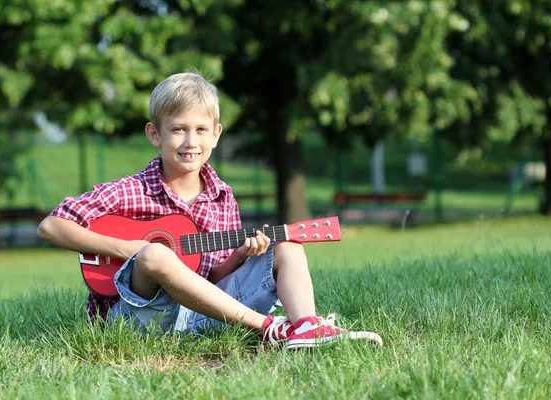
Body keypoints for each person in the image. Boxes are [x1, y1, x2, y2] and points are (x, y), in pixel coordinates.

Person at [37, 72, 382, 349]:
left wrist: (239, 258)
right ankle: (271, 328)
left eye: (201, 130)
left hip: (202, 316)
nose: (191, 142)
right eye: (178, 130)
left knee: (287, 244)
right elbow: (51, 227)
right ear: (154, 134)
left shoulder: (222, 197)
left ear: (216, 135)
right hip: (138, 320)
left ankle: (306, 327)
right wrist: (129, 249)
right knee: (154, 256)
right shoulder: (130, 189)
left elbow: (208, 279)